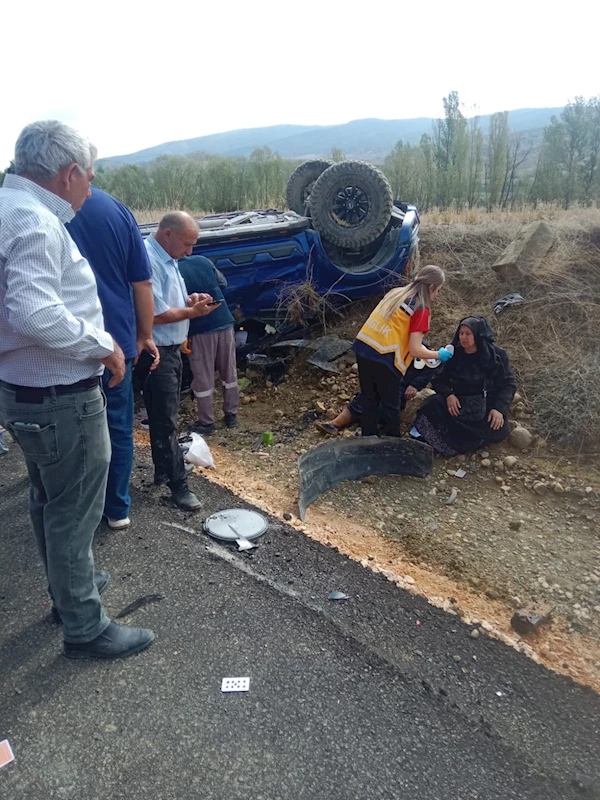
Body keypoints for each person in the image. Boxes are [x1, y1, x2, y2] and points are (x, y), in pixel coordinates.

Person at [0, 120, 154, 659]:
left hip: (23, 391)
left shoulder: (6, 209)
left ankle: (67, 590)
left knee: (48, 500)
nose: (90, 188)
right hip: (60, 396)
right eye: (89, 177)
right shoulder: (36, 223)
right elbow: (35, 311)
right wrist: (104, 345)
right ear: (68, 174)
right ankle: (85, 625)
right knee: (74, 511)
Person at [67, 187, 160, 530]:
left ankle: (77, 513)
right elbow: (142, 283)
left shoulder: (38, 208)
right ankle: (117, 508)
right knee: (117, 428)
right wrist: (144, 334)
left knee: (70, 432)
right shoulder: (115, 209)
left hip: (65, 344)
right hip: (117, 342)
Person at [137, 211, 215, 510]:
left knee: (163, 416)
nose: (190, 252)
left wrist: (190, 301)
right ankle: (178, 487)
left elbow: (169, 305)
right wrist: (193, 313)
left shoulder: (168, 258)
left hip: (171, 349)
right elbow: (154, 314)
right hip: (156, 351)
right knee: (165, 421)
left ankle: (163, 471)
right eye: (187, 243)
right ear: (167, 233)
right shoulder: (149, 260)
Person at [351, 265, 452, 437]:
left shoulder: (396, 293)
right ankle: (393, 450)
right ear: (430, 287)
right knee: (391, 406)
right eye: (438, 291)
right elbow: (415, 349)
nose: (436, 295)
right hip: (386, 356)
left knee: (370, 400)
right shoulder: (421, 307)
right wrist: (439, 355)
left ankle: (367, 443)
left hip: (364, 346)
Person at [413, 316, 516, 456]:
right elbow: (438, 379)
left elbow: (508, 384)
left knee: (501, 427)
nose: (463, 337)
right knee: (431, 404)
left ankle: (460, 442)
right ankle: (443, 442)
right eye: (461, 333)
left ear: (478, 335)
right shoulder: (454, 354)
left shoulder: (496, 356)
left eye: (468, 334)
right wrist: (449, 395)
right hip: (457, 407)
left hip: (484, 409)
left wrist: (499, 408)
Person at [178, 254, 239, 435]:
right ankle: (231, 415)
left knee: (203, 376)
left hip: (200, 327)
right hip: (224, 321)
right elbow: (223, 284)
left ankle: (206, 423)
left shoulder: (172, 270)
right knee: (229, 371)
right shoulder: (203, 260)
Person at [314, 357, 434, 436]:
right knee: (365, 397)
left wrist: (415, 385)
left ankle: (368, 433)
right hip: (386, 378)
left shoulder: (420, 347)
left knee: (388, 405)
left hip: (403, 385)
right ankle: (334, 424)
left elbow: (431, 369)